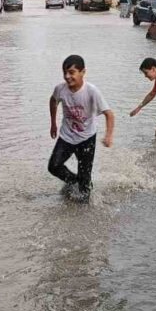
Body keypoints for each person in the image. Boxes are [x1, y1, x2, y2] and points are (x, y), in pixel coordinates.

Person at [48, 55, 115, 201]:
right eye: (65, 72)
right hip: (67, 136)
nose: (67, 76)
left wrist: (108, 135)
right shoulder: (60, 89)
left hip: (87, 138)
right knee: (53, 166)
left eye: (72, 72)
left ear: (83, 72)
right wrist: (53, 123)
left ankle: (83, 213)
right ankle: (74, 181)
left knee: (85, 187)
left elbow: (109, 114)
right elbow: (53, 101)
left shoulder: (91, 91)